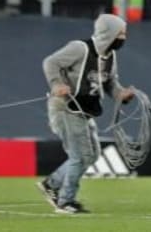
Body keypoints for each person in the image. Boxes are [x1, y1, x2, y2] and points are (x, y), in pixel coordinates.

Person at [39, 15, 135, 214]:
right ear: (109, 34)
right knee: (79, 156)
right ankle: (65, 201)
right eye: (121, 33)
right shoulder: (79, 48)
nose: (124, 38)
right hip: (66, 107)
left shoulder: (110, 56)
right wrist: (57, 84)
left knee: (92, 155)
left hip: (85, 109)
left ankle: (52, 184)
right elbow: (50, 62)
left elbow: (110, 83)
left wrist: (121, 94)